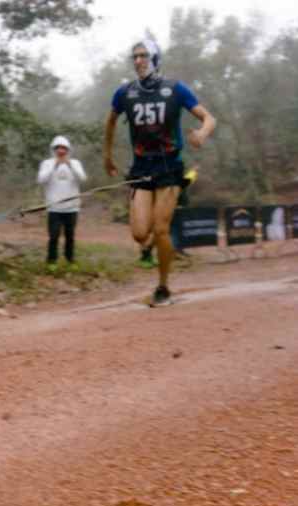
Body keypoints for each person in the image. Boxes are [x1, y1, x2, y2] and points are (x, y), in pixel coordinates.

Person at [103, 39, 216, 306]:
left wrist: (201, 133)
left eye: (144, 56)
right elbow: (109, 122)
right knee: (140, 233)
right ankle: (152, 245)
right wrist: (106, 155)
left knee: (161, 229)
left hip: (169, 167)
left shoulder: (175, 89)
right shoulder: (125, 93)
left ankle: (163, 287)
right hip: (141, 168)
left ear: (156, 59)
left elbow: (209, 118)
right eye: (135, 57)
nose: (138, 61)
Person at [37, 135, 87, 271]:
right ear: (53, 150)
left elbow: (82, 178)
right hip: (54, 207)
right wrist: (55, 165)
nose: (61, 151)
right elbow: (41, 180)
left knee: (70, 236)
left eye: (64, 148)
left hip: (72, 207)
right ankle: (51, 260)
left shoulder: (75, 163)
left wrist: (69, 164)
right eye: (58, 148)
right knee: (53, 235)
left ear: (68, 150)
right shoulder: (47, 163)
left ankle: (70, 259)